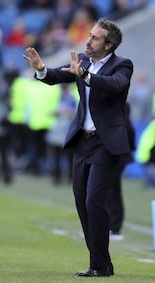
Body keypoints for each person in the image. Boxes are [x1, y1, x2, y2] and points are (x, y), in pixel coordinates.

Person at [24, 18, 133, 277]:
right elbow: (58, 75)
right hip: (82, 142)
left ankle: (98, 266)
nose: (88, 40)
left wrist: (85, 76)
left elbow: (115, 85)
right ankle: (101, 264)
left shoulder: (122, 65)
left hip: (105, 142)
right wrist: (41, 69)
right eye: (90, 35)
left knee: (94, 200)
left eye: (95, 38)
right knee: (81, 203)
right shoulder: (82, 61)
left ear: (108, 45)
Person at [106, 102, 135, 240]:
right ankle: (111, 226)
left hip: (117, 154)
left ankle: (114, 227)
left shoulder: (119, 107)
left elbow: (127, 129)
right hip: (119, 154)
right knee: (111, 189)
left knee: (111, 190)